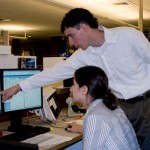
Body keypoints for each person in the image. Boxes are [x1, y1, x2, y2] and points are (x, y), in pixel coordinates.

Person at [0, 7, 150, 142]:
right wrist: (18, 87)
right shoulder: (84, 54)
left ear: (84, 27)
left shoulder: (128, 36)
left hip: (147, 103)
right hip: (120, 106)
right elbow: (54, 72)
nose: (71, 42)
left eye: (71, 35)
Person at [67, 65, 140, 149]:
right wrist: (81, 129)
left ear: (84, 89)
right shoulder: (109, 106)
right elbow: (104, 130)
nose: (71, 89)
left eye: (73, 85)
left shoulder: (95, 117)